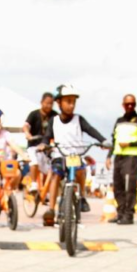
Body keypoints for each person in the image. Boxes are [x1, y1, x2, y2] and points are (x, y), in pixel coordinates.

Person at [42, 85, 108, 225]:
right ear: (58, 102)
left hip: (75, 155)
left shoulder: (79, 119)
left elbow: (91, 130)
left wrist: (103, 141)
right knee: (55, 176)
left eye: (73, 102)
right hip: (59, 155)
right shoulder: (54, 121)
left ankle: (82, 196)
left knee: (81, 172)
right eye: (68, 101)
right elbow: (47, 136)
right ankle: (51, 209)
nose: (71, 105)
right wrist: (43, 144)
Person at [107, 94, 137, 224]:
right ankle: (120, 213)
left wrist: (129, 144)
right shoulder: (119, 121)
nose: (130, 106)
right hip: (118, 156)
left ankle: (129, 214)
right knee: (118, 185)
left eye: (132, 104)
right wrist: (109, 156)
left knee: (130, 185)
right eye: (127, 104)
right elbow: (114, 140)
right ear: (123, 105)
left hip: (131, 157)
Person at [23, 93, 58, 197]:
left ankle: (48, 191)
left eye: (51, 104)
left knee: (52, 167)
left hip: (47, 147)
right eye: (47, 103)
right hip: (34, 145)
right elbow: (26, 126)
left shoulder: (54, 115)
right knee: (34, 161)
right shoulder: (34, 114)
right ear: (41, 102)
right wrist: (27, 134)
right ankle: (34, 184)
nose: (49, 106)